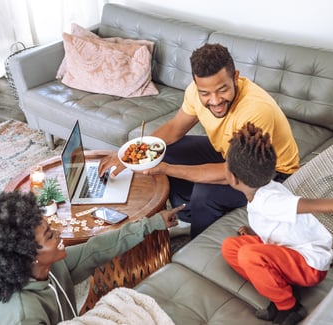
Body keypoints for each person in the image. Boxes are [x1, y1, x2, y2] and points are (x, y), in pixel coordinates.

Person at [99, 43, 300, 238]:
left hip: (268, 172)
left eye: (222, 90)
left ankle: (197, 238)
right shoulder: (194, 93)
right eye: (205, 93)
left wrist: (167, 169)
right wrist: (130, 153)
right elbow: (174, 129)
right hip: (228, 152)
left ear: (235, 77)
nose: (215, 100)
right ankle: (187, 217)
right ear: (197, 86)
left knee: (205, 192)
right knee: (166, 149)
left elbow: (231, 172)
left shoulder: (254, 110)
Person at [221, 122, 333, 325]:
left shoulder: (270, 201)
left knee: (248, 255)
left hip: (309, 264)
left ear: (233, 178)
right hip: (288, 251)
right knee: (230, 247)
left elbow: (313, 205)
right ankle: (278, 285)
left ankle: (288, 307)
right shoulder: (264, 190)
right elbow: (276, 225)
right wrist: (254, 232)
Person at [0, 190, 184, 324]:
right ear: (29, 256)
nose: (60, 234)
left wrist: (153, 223)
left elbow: (96, 249)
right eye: (50, 235)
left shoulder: (48, 268)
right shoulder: (23, 314)